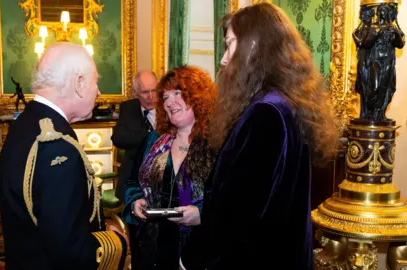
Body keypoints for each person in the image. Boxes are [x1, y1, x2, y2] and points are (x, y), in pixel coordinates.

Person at [180, 3, 338, 269]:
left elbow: (237, 212)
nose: (223, 58)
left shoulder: (265, 114)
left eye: (229, 45)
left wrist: (192, 258)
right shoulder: (286, 105)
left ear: (252, 47)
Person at [0, 42, 127, 270]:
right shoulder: (56, 145)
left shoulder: (27, 123)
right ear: (79, 83)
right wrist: (117, 244)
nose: (99, 91)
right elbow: (68, 250)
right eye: (96, 81)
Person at [123, 66, 217, 270]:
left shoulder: (218, 143)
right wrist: (135, 201)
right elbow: (132, 182)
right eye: (165, 97)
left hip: (200, 250)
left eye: (177, 93)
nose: (169, 102)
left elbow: (235, 199)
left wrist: (202, 214)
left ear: (198, 96)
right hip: (153, 249)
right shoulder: (155, 140)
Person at [112, 70, 159, 205]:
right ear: (135, 93)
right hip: (132, 178)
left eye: (154, 91)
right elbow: (118, 139)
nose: (151, 96)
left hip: (159, 179)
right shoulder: (128, 108)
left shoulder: (168, 106)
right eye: (145, 92)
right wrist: (149, 135)